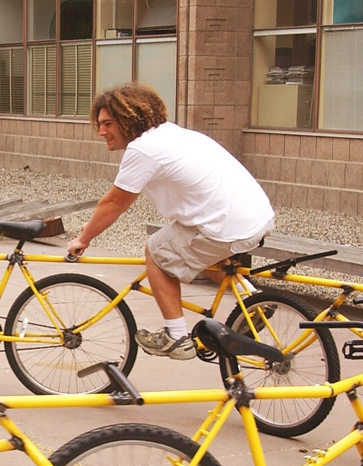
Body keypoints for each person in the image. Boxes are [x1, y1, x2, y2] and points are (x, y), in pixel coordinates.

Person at [67, 83, 275, 361]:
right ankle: (254, 303)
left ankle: (176, 336)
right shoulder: (174, 134)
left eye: (107, 123)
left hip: (225, 226)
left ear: (129, 119)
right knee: (197, 250)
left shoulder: (142, 150)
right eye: (99, 124)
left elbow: (115, 203)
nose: (101, 131)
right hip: (256, 217)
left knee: (156, 251)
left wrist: (83, 239)